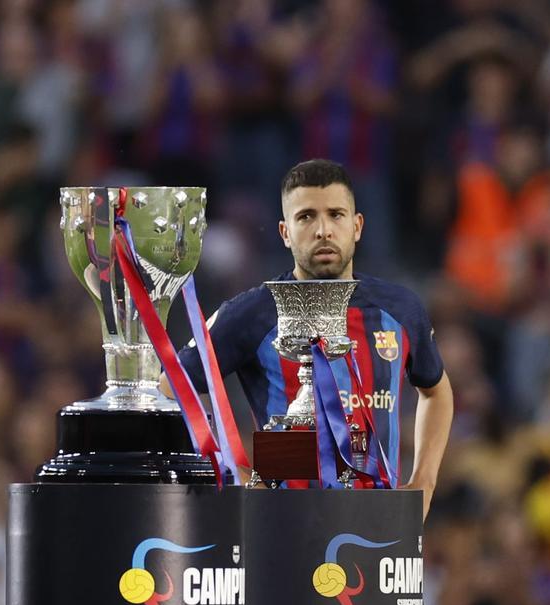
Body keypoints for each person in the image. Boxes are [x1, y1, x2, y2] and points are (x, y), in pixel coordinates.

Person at [161, 159, 453, 520]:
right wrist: (231, 469)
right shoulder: (254, 312)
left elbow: (436, 391)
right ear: (285, 232)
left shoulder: (399, 308)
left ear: (357, 226)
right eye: (306, 217)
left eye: (335, 214)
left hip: (381, 525)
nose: (323, 230)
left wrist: (424, 482)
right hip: (282, 529)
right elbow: (170, 386)